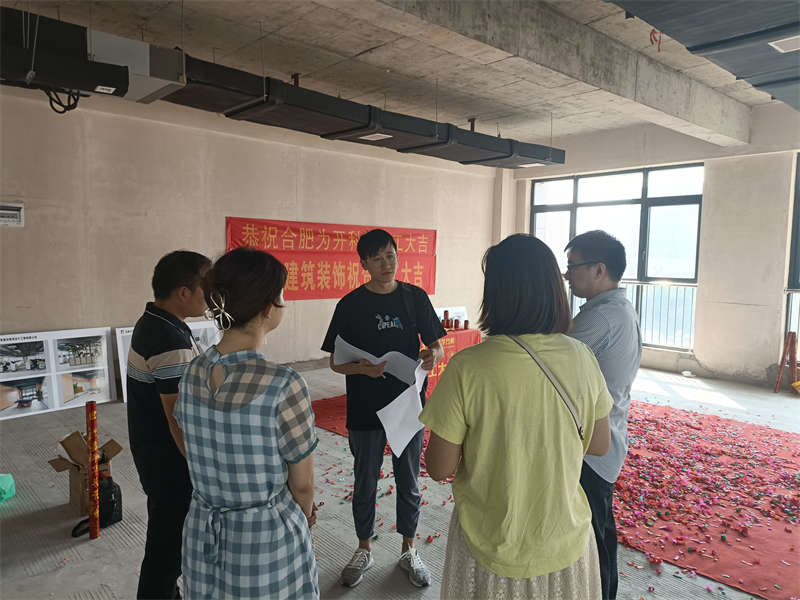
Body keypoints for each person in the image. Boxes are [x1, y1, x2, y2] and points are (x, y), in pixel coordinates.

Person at [421, 233, 612, 600]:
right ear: (553, 289)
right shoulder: (582, 357)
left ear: (495, 293)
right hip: (566, 540)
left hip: (490, 544)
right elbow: (600, 444)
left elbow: (439, 467)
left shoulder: (468, 367)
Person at [174, 247, 319, 600]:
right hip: (264, 542)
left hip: (201, 533)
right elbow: (302, 485)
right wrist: (302, 521)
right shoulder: (283, 384)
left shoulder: (192, 372)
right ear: (268, 307)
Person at [321, 228, 446, 588]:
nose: (386, 264)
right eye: (377, 259)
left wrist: (431, 356)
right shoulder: (350, 305)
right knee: (365, 480)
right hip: (365, 407)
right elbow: (335, 362)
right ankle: (364, 548)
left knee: (409, 481)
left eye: (390, 255)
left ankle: (409, 549)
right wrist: (362, 369)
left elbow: (436, 346)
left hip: (407, 405)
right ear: (364, 264)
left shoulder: (414, 298)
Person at [126, 250, 210, 599]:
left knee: (166, 540)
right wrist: (202, 469)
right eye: (206, 287)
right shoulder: (168, 340)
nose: (211, 295)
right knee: (167, 550)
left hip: (153, 453)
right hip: (169, 463)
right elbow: (179, 421)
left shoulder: (157, 321)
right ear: (183, 292)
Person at [564, 230, 642, 600]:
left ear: (599, 269)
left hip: (593, 447)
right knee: (600, 531)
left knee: (592, 538)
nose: (567, 275)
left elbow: (550, 360)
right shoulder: (615, 309)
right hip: (605, 436)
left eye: (573, 266)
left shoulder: (603, 317)